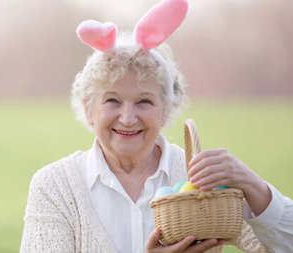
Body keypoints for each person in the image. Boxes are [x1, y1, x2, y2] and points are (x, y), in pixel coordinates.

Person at [20, 0, 293, 252]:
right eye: (112, 100)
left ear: (166, 111)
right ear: (89, 109)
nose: (127, 118)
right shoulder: (55, 187)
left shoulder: (199, 180)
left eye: (144, 102)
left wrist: (250, 183)